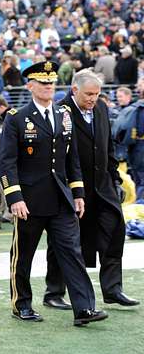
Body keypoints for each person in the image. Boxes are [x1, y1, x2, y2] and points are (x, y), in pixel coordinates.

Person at [0, 61, 108, 326]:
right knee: (23, 255)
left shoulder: (64, 114)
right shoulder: (16, 117)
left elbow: (72, 160)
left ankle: (84, 309)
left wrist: (78, 192)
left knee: (72, 252)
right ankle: (21, 304)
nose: (48, 87)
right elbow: (6, 162)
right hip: (30, 201)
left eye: (51, 82)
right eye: (43, 82)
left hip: (61, 199)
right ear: (30, 85)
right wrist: (14, 198)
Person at [43, 69, 139, 308]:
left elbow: (108, 146)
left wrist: (114, 178)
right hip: (72, 188)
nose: (93, 99)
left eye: (96, 94)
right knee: (64, 241)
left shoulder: (102, 108)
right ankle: (54, 292)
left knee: (114, 233)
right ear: (74, 90)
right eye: (88, 94)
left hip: (103, 185)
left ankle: (113, 289)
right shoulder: (59, 112)